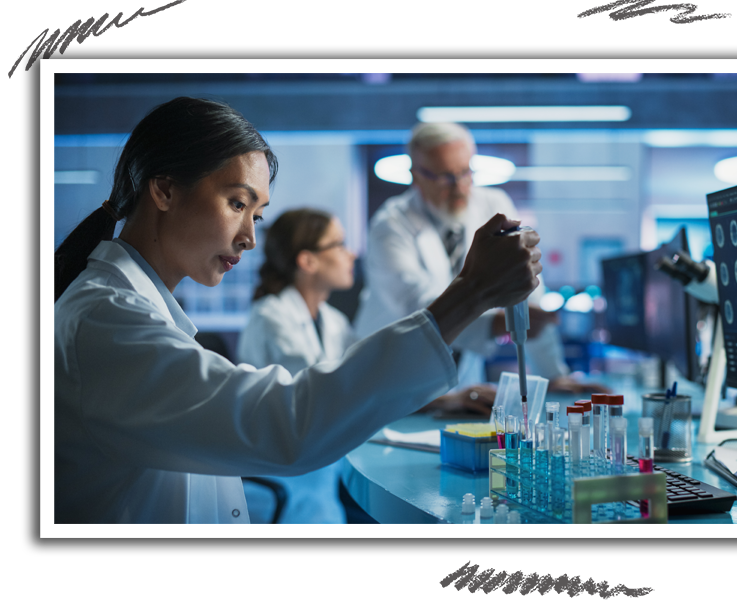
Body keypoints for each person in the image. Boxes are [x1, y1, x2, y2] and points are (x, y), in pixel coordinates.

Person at [53, 97, 542, 524]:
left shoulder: (133, 310)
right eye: (237, 203)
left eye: (257, 215)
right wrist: (471, 292)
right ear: (163, 190)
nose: (249, 238)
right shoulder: (105, 323)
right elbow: (287, 422)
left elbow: (327, 390)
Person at [236, 208, 497, 523]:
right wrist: (447, 398)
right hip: (288, 485)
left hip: (321, 475)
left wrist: (451, 399)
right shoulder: (272, 318)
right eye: (339, 244)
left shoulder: (332, 320)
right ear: (308, 261)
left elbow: (371, 378)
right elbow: (336, 395)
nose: (351, 254)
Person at [353, 122, 610, 395]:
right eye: (445, 177)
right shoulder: (390, 225)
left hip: (460, 372)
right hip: (394, 368)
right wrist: (494, 322)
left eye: (465, 172)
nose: (459, 187)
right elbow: (417, 305)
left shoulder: (493, 206)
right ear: (416, 175)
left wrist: (553, 375)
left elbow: (526, 288)